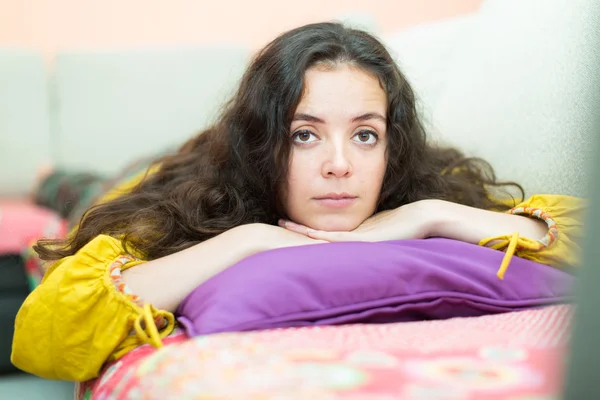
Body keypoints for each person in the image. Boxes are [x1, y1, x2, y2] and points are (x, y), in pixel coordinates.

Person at [11, 22, 584, 382]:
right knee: (84, 190)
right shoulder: (192, 199)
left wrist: (427, 215)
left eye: (365, 135)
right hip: (160, 170)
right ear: (265, 141)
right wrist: (249, 239)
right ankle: (51, 176)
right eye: (303, 134)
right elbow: (47, 332)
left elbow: (580, 238)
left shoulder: (418, 185)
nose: (340, 164)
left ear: (393, 143)